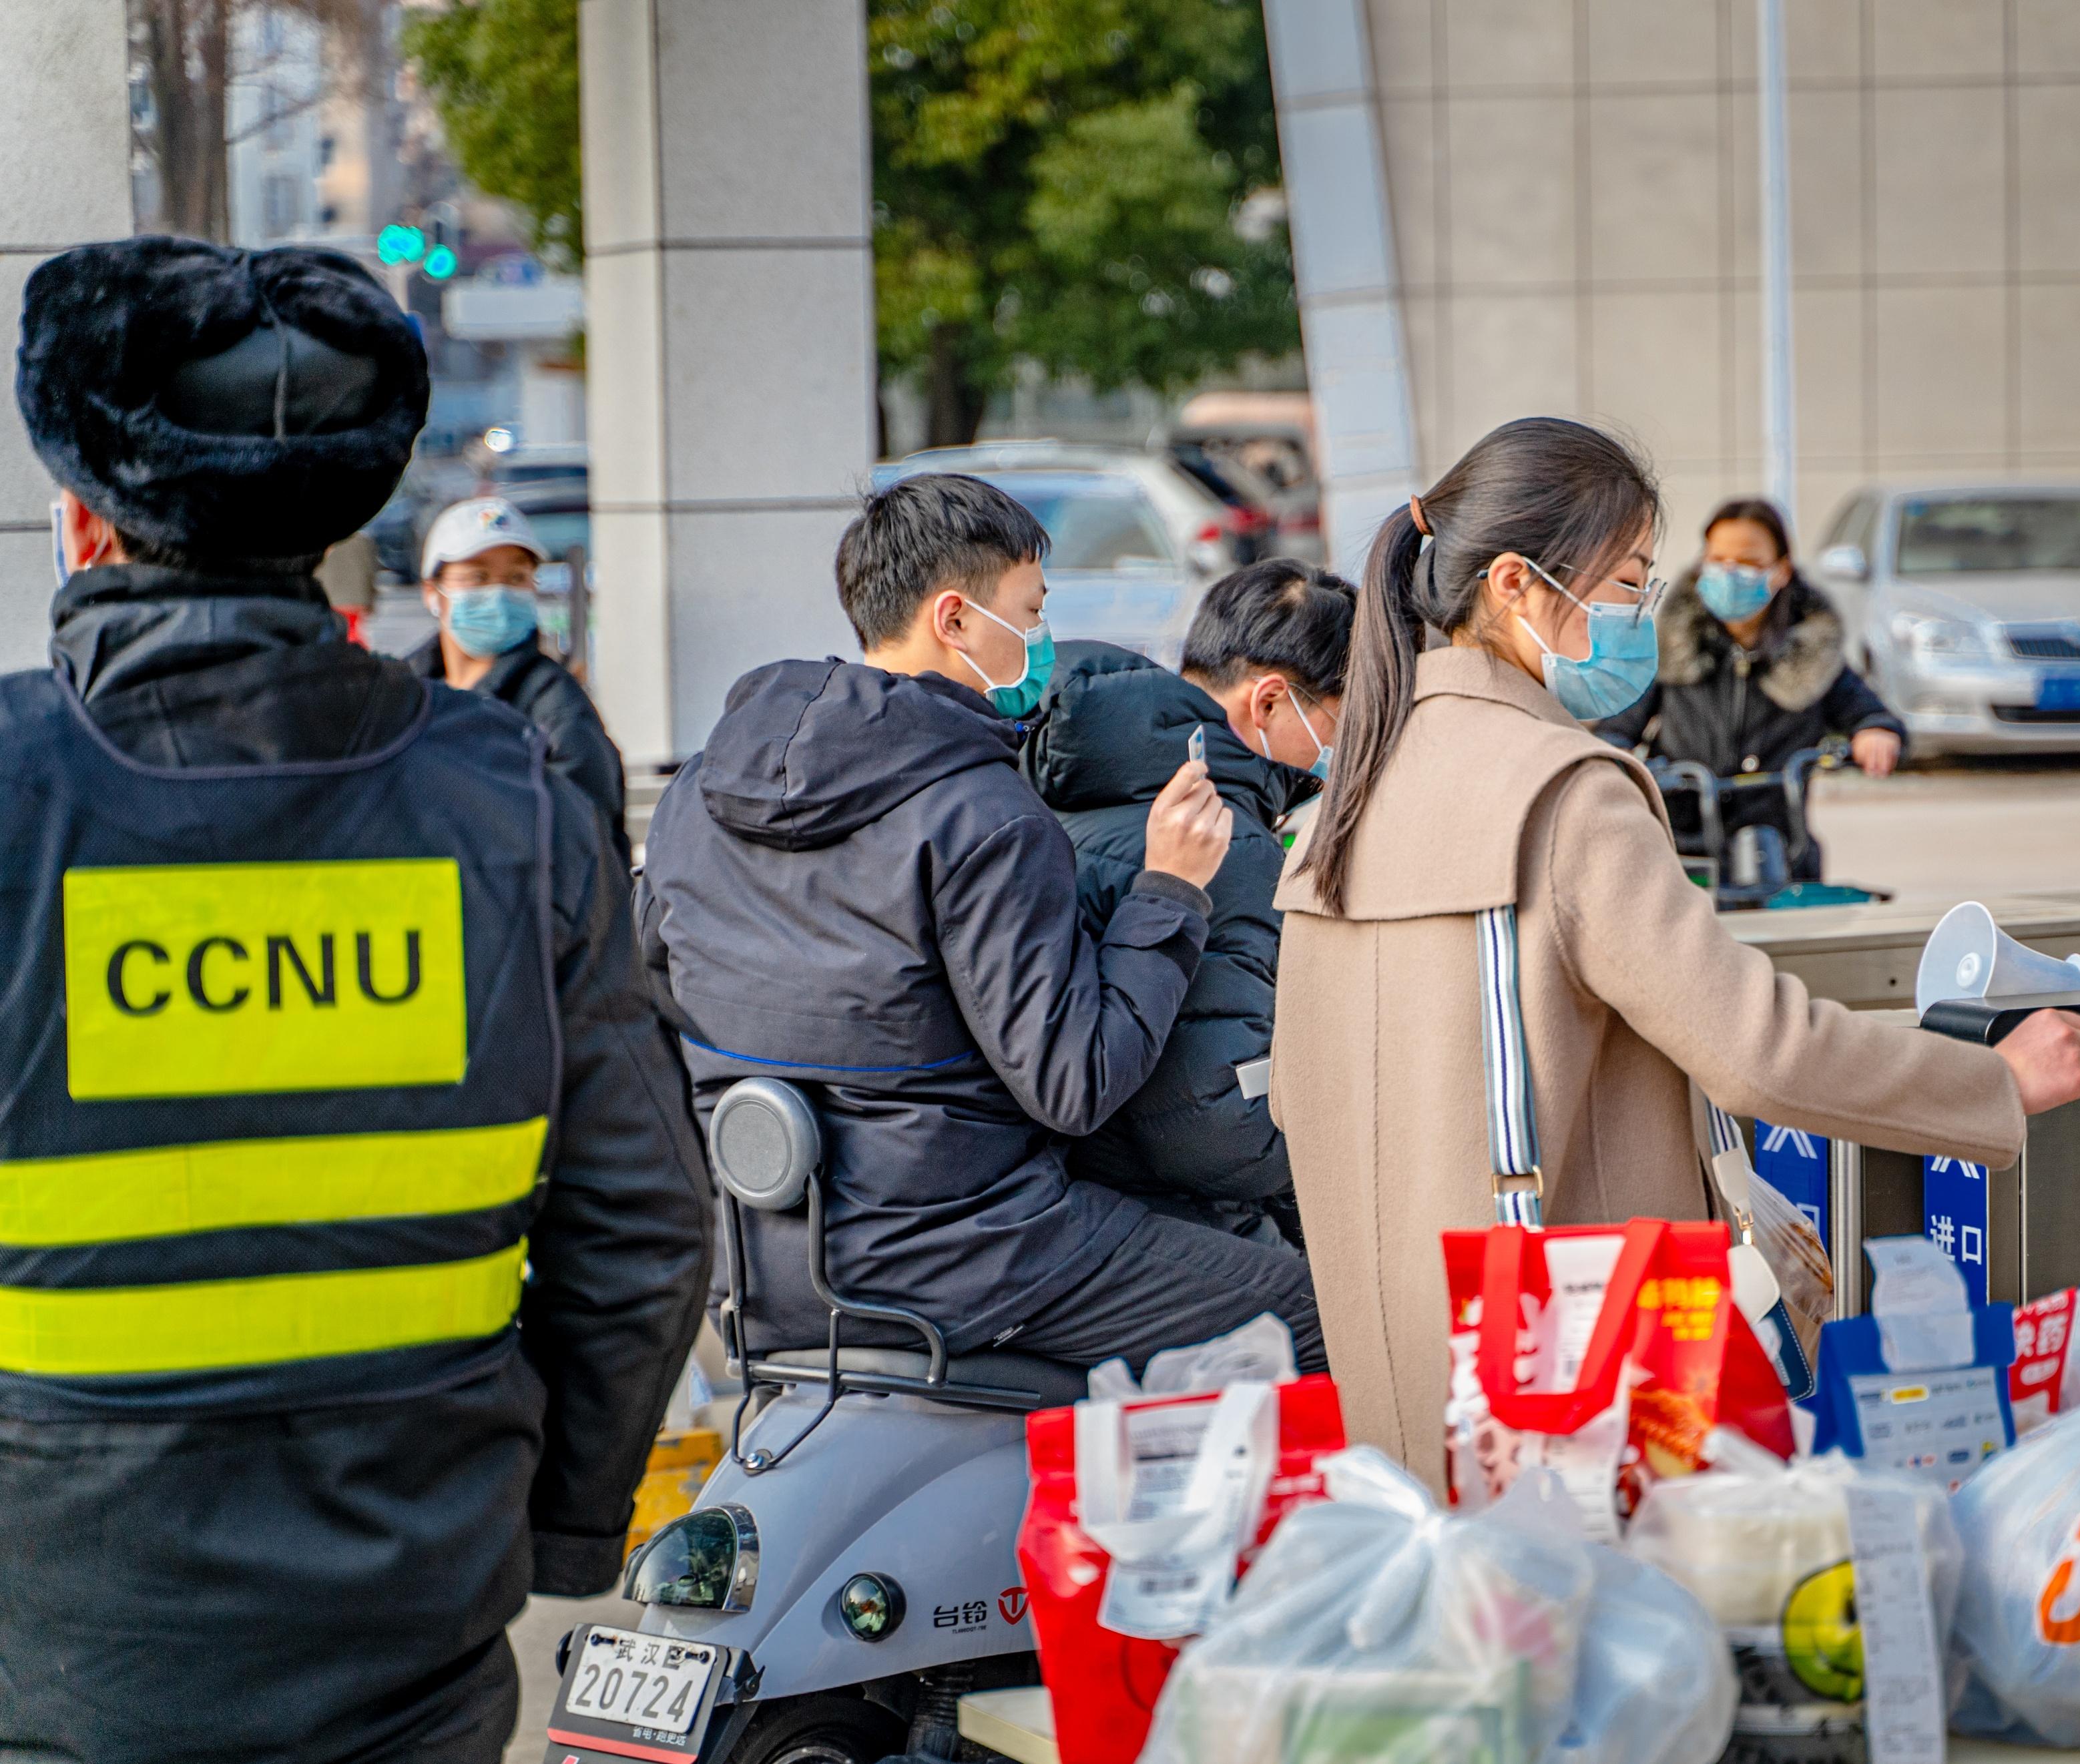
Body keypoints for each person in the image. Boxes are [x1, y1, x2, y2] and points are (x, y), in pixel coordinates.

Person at [0, 238, 711, 1762]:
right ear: (337, 535)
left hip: (54, 1635)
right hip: (418, 1614)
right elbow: (642, 1224)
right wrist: (560, 1528)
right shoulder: (499, 791)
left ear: (81, 523)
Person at [1270, 417, 2080, 1485]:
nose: (1641, 614)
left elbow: (1297, 1092)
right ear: (1519, 584)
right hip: (1567, 1371)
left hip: (1392, 1375)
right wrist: (1993, 1080)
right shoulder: (1565, 793)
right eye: (1624, 581)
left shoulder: (1342, 796)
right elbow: (1757, 1048)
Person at [637, 474, 1326, 1374]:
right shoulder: (983, 815)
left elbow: (655, 994)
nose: (1039, 642)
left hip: (768, 1266)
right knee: (1311, 1312)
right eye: (1029, 612)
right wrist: (1170, 888)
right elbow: (1076, 1081)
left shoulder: (697, 792)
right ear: (955, 618)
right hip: (977, 1263)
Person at [1021, 559, 1352, 1242]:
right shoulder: (1224, 842)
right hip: (1166, 1219)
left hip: (1063, 1189)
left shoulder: (1065, 782)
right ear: (1268, 702)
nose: (1352, 748)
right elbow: (1219, 1132)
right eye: (1348, 720)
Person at [1595, 497, 1902, 878]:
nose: (1731, 573)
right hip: (1680, 851)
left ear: (1781, 571)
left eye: (1749, 563)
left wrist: (1876, 733)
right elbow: (1615, 729)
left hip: (1780, 848)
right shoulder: (1670, 647)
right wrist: (1619, 761)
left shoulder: (1813, 653)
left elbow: (1870, 714)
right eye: (1718, 560)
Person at [411, 495, 631, 864]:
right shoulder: (402, 692)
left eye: (516, 577)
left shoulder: (557, 707)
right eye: (478, 577)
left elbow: (586, 845)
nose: (499, 594)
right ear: (433, 593)